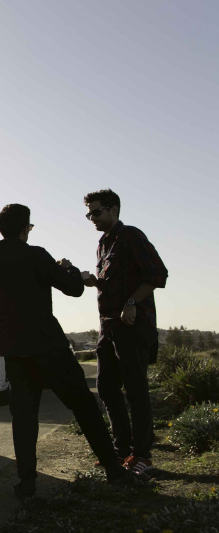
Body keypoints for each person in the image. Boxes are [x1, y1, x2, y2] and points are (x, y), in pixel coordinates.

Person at [0, 204, 136, 499]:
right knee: (84, 406)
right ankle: (114, 471)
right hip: (48, 346)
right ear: (26, 228)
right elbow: (74, 288)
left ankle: (26, 483)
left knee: (24, 418)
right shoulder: (35, 255)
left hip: (15, 350)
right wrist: (69, 269)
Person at [82, 189, 168, 477]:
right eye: (89, 213)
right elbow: (112, 283)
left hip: (133, 327)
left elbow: (158, 274)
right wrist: (93, 281)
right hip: (108, 328)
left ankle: (143, 456)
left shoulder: (131, 236)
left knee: (136, 391)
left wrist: (132, 302)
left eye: (96, 212)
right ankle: (121, 451)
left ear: (114, 209)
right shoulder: (102, 245)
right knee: (106, 387)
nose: (91, 218)